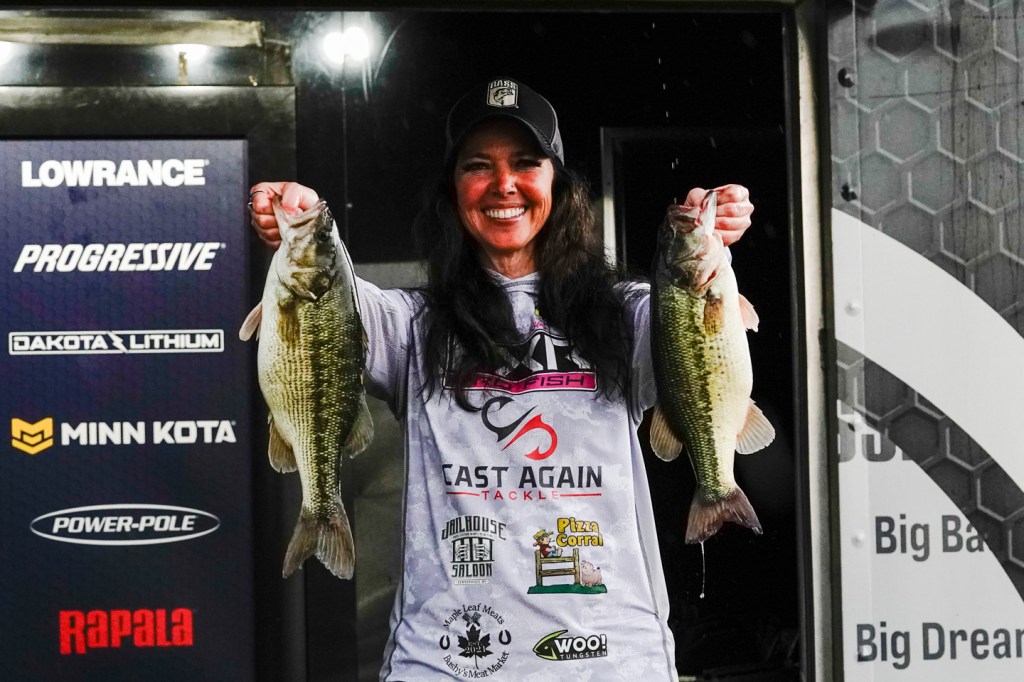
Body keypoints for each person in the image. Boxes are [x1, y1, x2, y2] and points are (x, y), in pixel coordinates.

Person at [249, 77, 753, 680]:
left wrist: (714, 223)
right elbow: (329, 302)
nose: (503, 183)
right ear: (453, 188)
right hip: (444, 663)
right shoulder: (409, 323)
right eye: (478, 165)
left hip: (613, 661)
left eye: (525, 163)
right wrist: (305, 214)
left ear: (558, 183)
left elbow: (699, 335)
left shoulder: (629, 314)